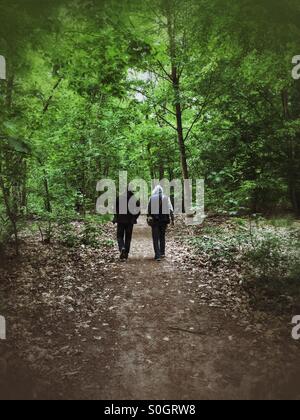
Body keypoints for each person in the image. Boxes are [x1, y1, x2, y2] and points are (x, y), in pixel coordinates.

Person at [148, 185, 174, 262]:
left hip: (155, 221)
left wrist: (149, 217)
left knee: (155, 237)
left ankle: (157, 255)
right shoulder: (166, 198)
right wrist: (172, 220)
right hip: (164, 220)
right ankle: (162, 252)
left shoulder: (151, 198)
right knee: (162, 236)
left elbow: (148, 209)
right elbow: (170, 209)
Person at [113, 188, 140, 260]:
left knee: (119, 236)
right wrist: (134, 218)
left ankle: (122, 247)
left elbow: (115, 209)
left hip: (120, 220)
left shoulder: (119, 198)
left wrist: (116, 217)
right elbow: (138, 210)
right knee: (128, 238)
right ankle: (126, 254)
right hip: (130, 221)